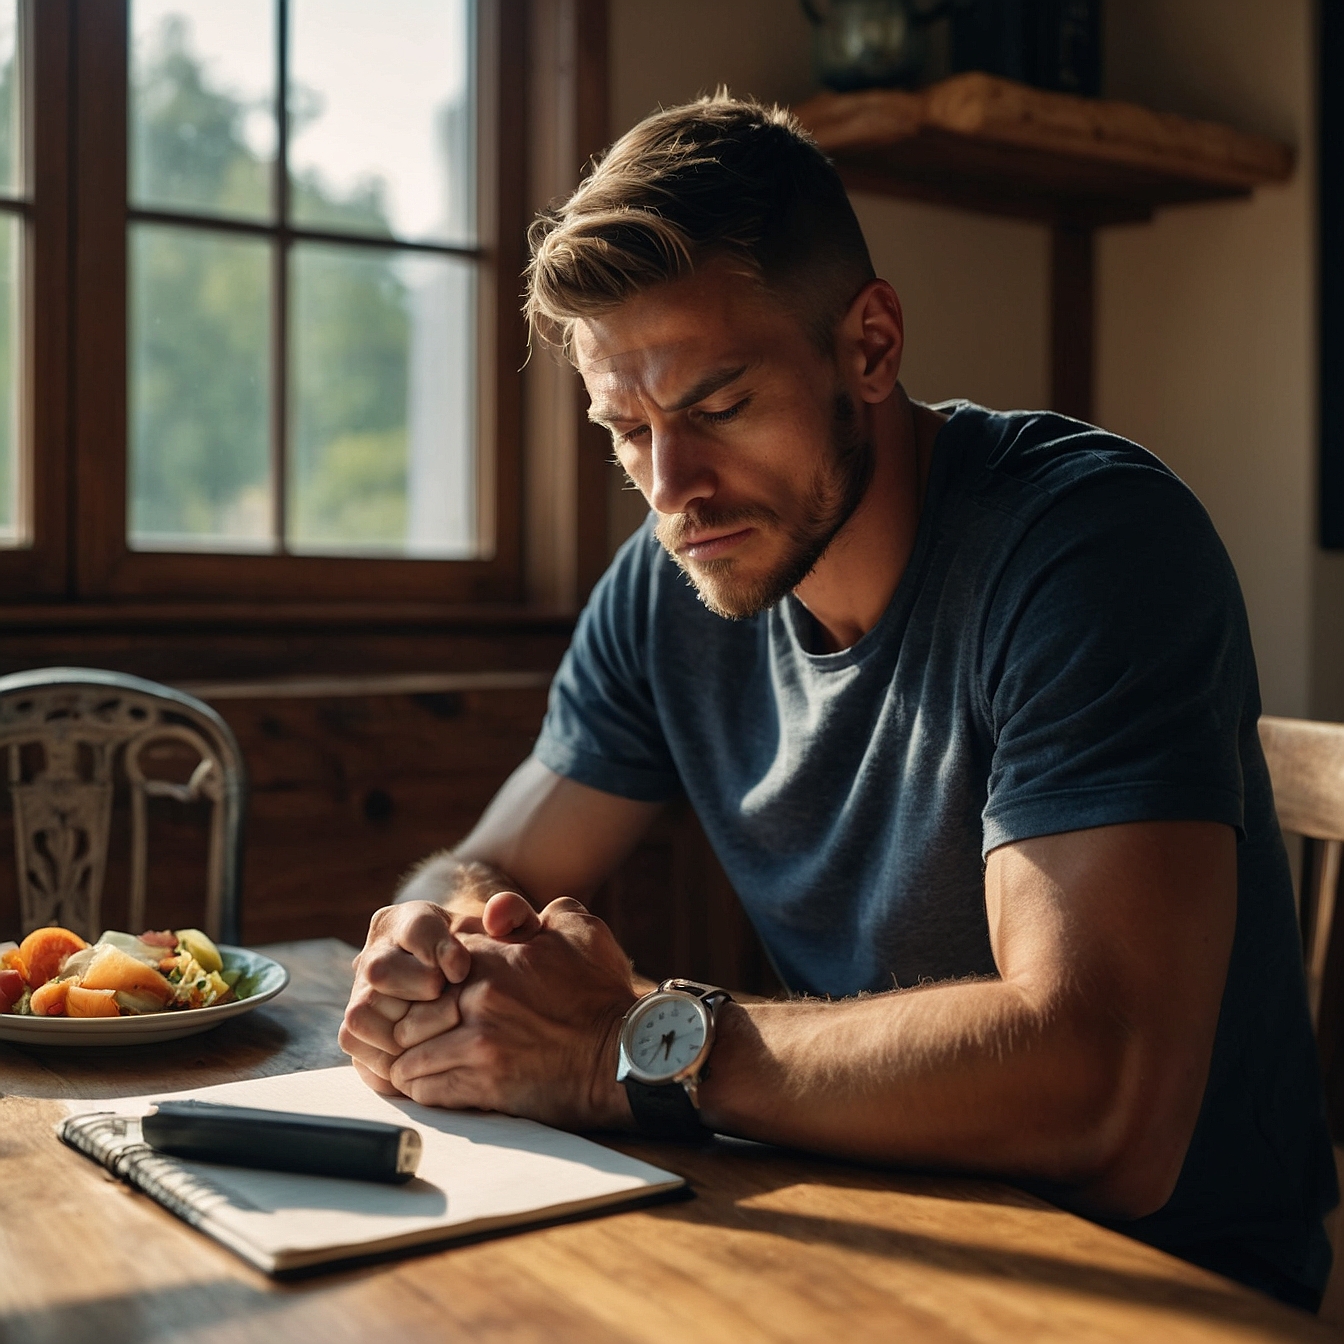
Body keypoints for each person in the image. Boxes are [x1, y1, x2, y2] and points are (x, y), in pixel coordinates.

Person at [339, 94, 1338, 1309]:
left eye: (716, 408)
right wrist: (424, 949)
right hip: (849, 1221)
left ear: (869, 345)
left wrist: (630, 1046)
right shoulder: (672, 581)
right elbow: (486, 861)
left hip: (1154, 1288)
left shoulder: (1090, 547)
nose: (673, 490)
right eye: (626, 429)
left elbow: (1109, 1098)